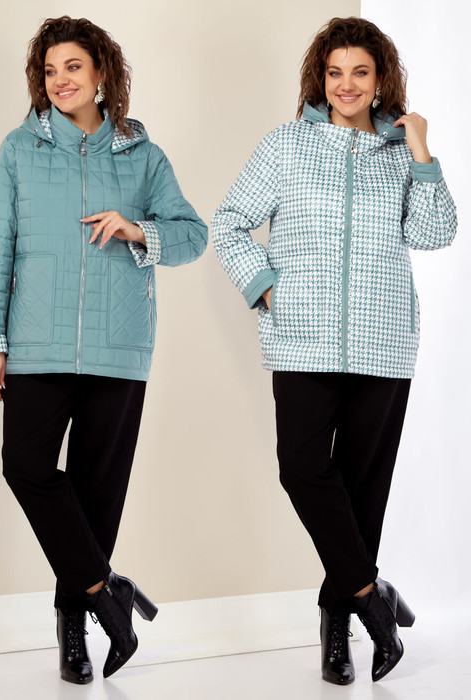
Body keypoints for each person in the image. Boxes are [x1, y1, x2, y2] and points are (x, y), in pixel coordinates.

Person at [212, 16, 456, 685]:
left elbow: (434, 234)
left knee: (361, 492)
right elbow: (228, 222)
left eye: (360, 72)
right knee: (303, 470)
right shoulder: (287, 144)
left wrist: (422, 153)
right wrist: (267, 289)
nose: (346, 85)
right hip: (302, 337)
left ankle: (336, 633)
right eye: (335, 72)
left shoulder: (399, 152)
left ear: (380, 80)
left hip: (384, 341)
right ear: (320, 78)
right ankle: (372, 599)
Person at [0, 15, 207, 685]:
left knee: (96, 497)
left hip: (119, 347)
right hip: (36, 345)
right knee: (26, 467)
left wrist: (138, 230)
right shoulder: (19, 149)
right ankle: (107, 592)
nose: (61, 80)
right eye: (50, 70)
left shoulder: (142, 155)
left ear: (101, 72)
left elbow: (193, 235)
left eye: (73, 66)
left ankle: (73, 632)